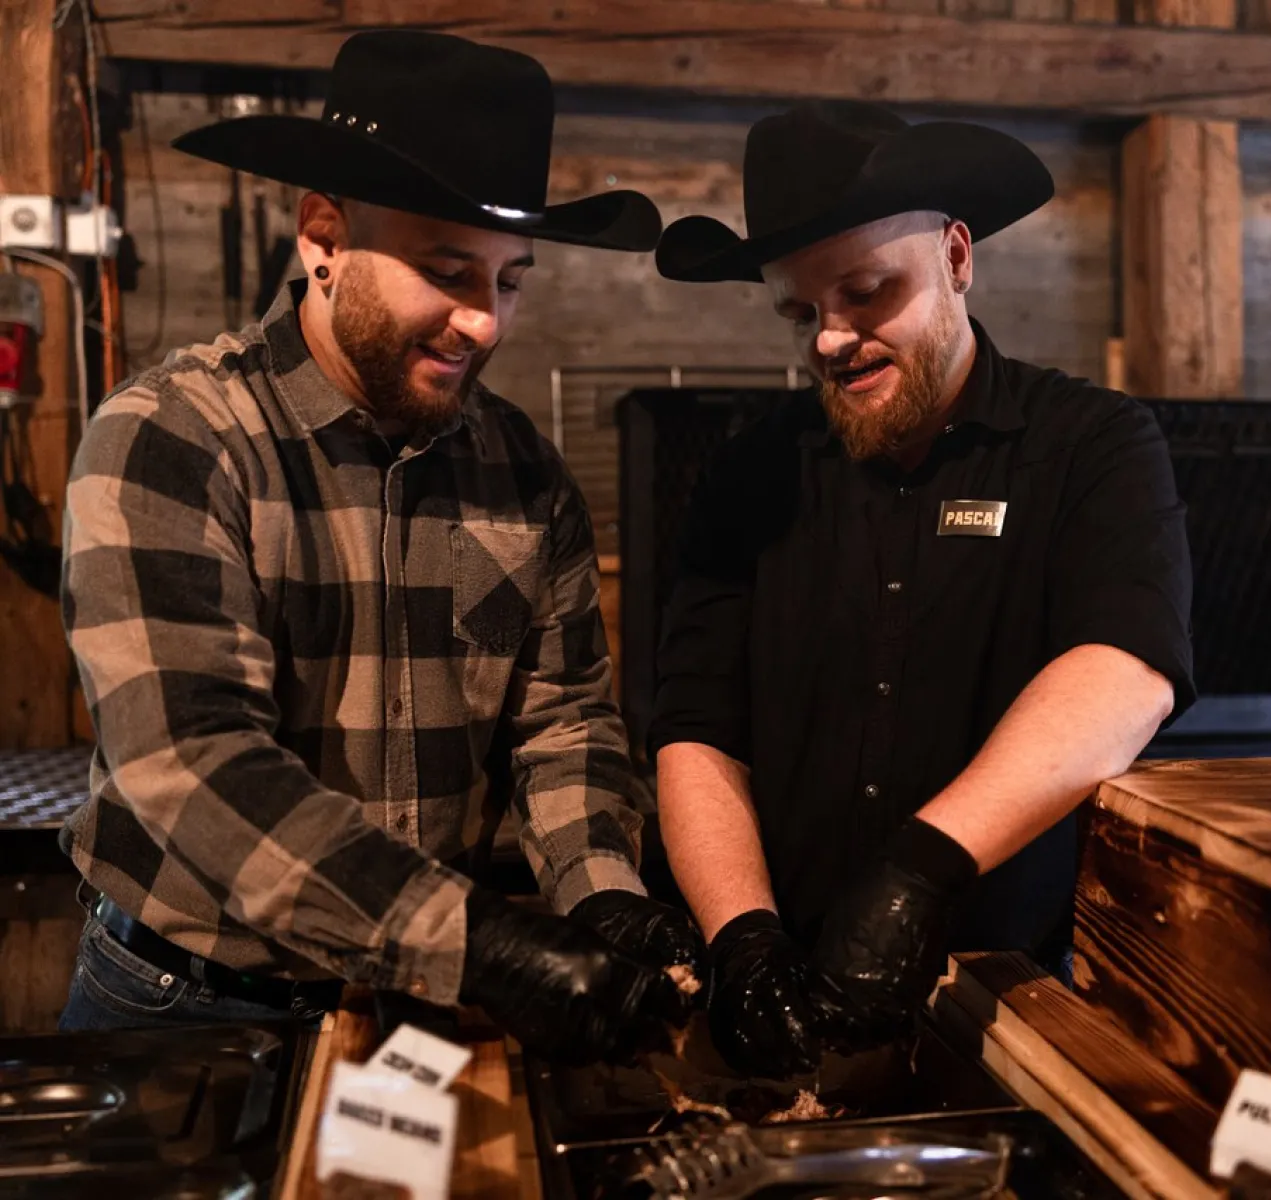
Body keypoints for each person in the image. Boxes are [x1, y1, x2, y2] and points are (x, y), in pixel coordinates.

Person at [57, 30, 701, 1062]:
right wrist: (481, 941)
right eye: (448, 270)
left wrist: (605, 900)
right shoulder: (170, 438)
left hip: (421, 1005)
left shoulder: (525, 471)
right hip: (192, 1005)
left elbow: (564, 729)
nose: (483, 324)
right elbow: (195, 764)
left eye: (509, 279)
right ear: (322, 237)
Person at [650, 101, 1195, 1077]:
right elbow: (697, 728)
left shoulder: (1092, 445)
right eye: (801, 311)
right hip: (784, 994)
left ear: (955, 256)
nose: (829, 339)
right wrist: (742, 937)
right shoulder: (748, 474)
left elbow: (1125, 672)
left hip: (1003, 997)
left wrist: (918, 869)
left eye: (865, 292)